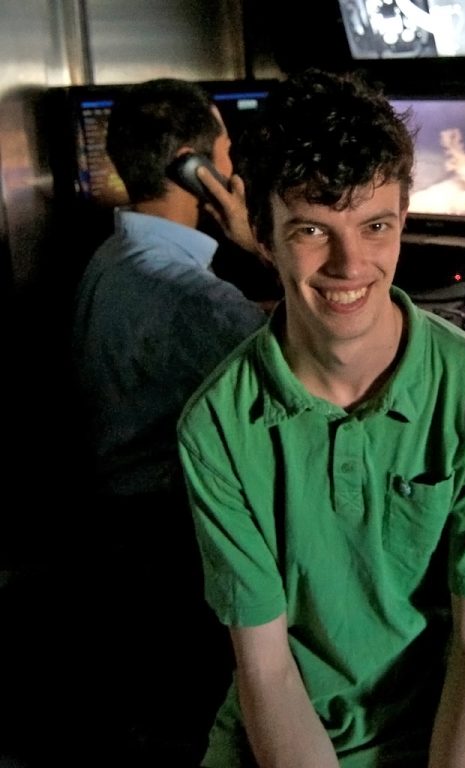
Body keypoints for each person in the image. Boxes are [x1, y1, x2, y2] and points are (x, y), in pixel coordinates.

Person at [178, 68, 465, 768]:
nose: (350, 264)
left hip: (459, 703)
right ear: (262, 236)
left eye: (375, 225)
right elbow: (265, 670)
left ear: (403, 219)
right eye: (310, 230)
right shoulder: (217, 426)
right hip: (295, 717)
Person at [70, 78, 270, 766]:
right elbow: (309, 370)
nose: (233, 156)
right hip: (174, 545)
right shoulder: (190, 294)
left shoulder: (113, 259)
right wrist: (254, 241)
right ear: (196, 166)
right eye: (226, 145)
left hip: (121, 537)